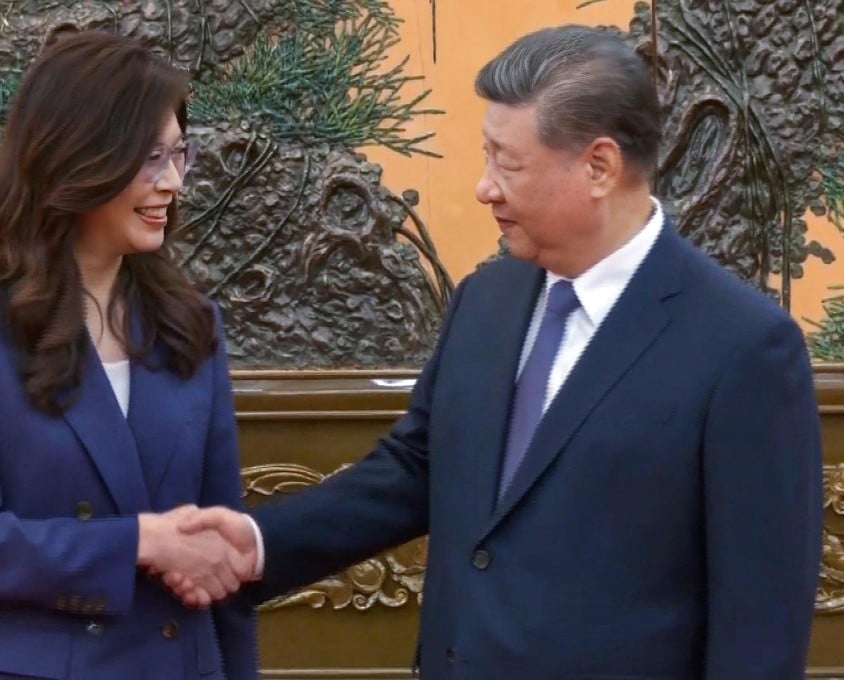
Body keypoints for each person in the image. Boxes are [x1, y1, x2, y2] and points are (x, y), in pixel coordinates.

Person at [172, 24, 824, 679]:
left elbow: (759, 630)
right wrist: (257, 544)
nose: (485, 187)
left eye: (506, 162)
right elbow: (416, 471)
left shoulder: (743, 349)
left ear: (599, 166)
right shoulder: (486, 299)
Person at [0, 31, 256, 679]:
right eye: (150, 157)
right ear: (78, 158)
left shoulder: (190, 322)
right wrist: (143, 541)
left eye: (179, 155)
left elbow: (216, 545)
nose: (173, 182)